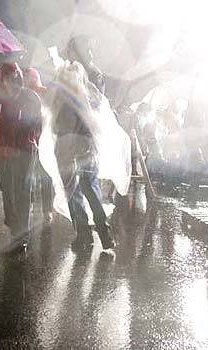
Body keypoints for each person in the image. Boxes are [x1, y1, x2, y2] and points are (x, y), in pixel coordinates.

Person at [48, 61, 117, 251]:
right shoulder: (89, 97)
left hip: (66, 148)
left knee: (73, 192)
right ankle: (105, 235)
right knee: (92, 191)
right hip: (88, 146)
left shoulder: (60, 100)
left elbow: (56, 127)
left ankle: (84, 236)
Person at [0, 63, 42, 246]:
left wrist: (32, 139)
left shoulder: (31, 98)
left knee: (24, 191)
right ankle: (13, 222)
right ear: (3, 79)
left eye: (16, 76)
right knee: (7, 190)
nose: (13, 81)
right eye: (8, 77)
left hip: (25, 152)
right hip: (2, 153)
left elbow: (39, 123)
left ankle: (21, 232)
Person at [23, 67, 55, 227]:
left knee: (45, 176)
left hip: (44, 140)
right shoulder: (23, 95)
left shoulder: (45, 92)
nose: (26, 79)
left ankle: (47, 209)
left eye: (29, 76)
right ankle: (28, 206)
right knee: (28, 176)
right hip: (28, 141)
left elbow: (53, 113)